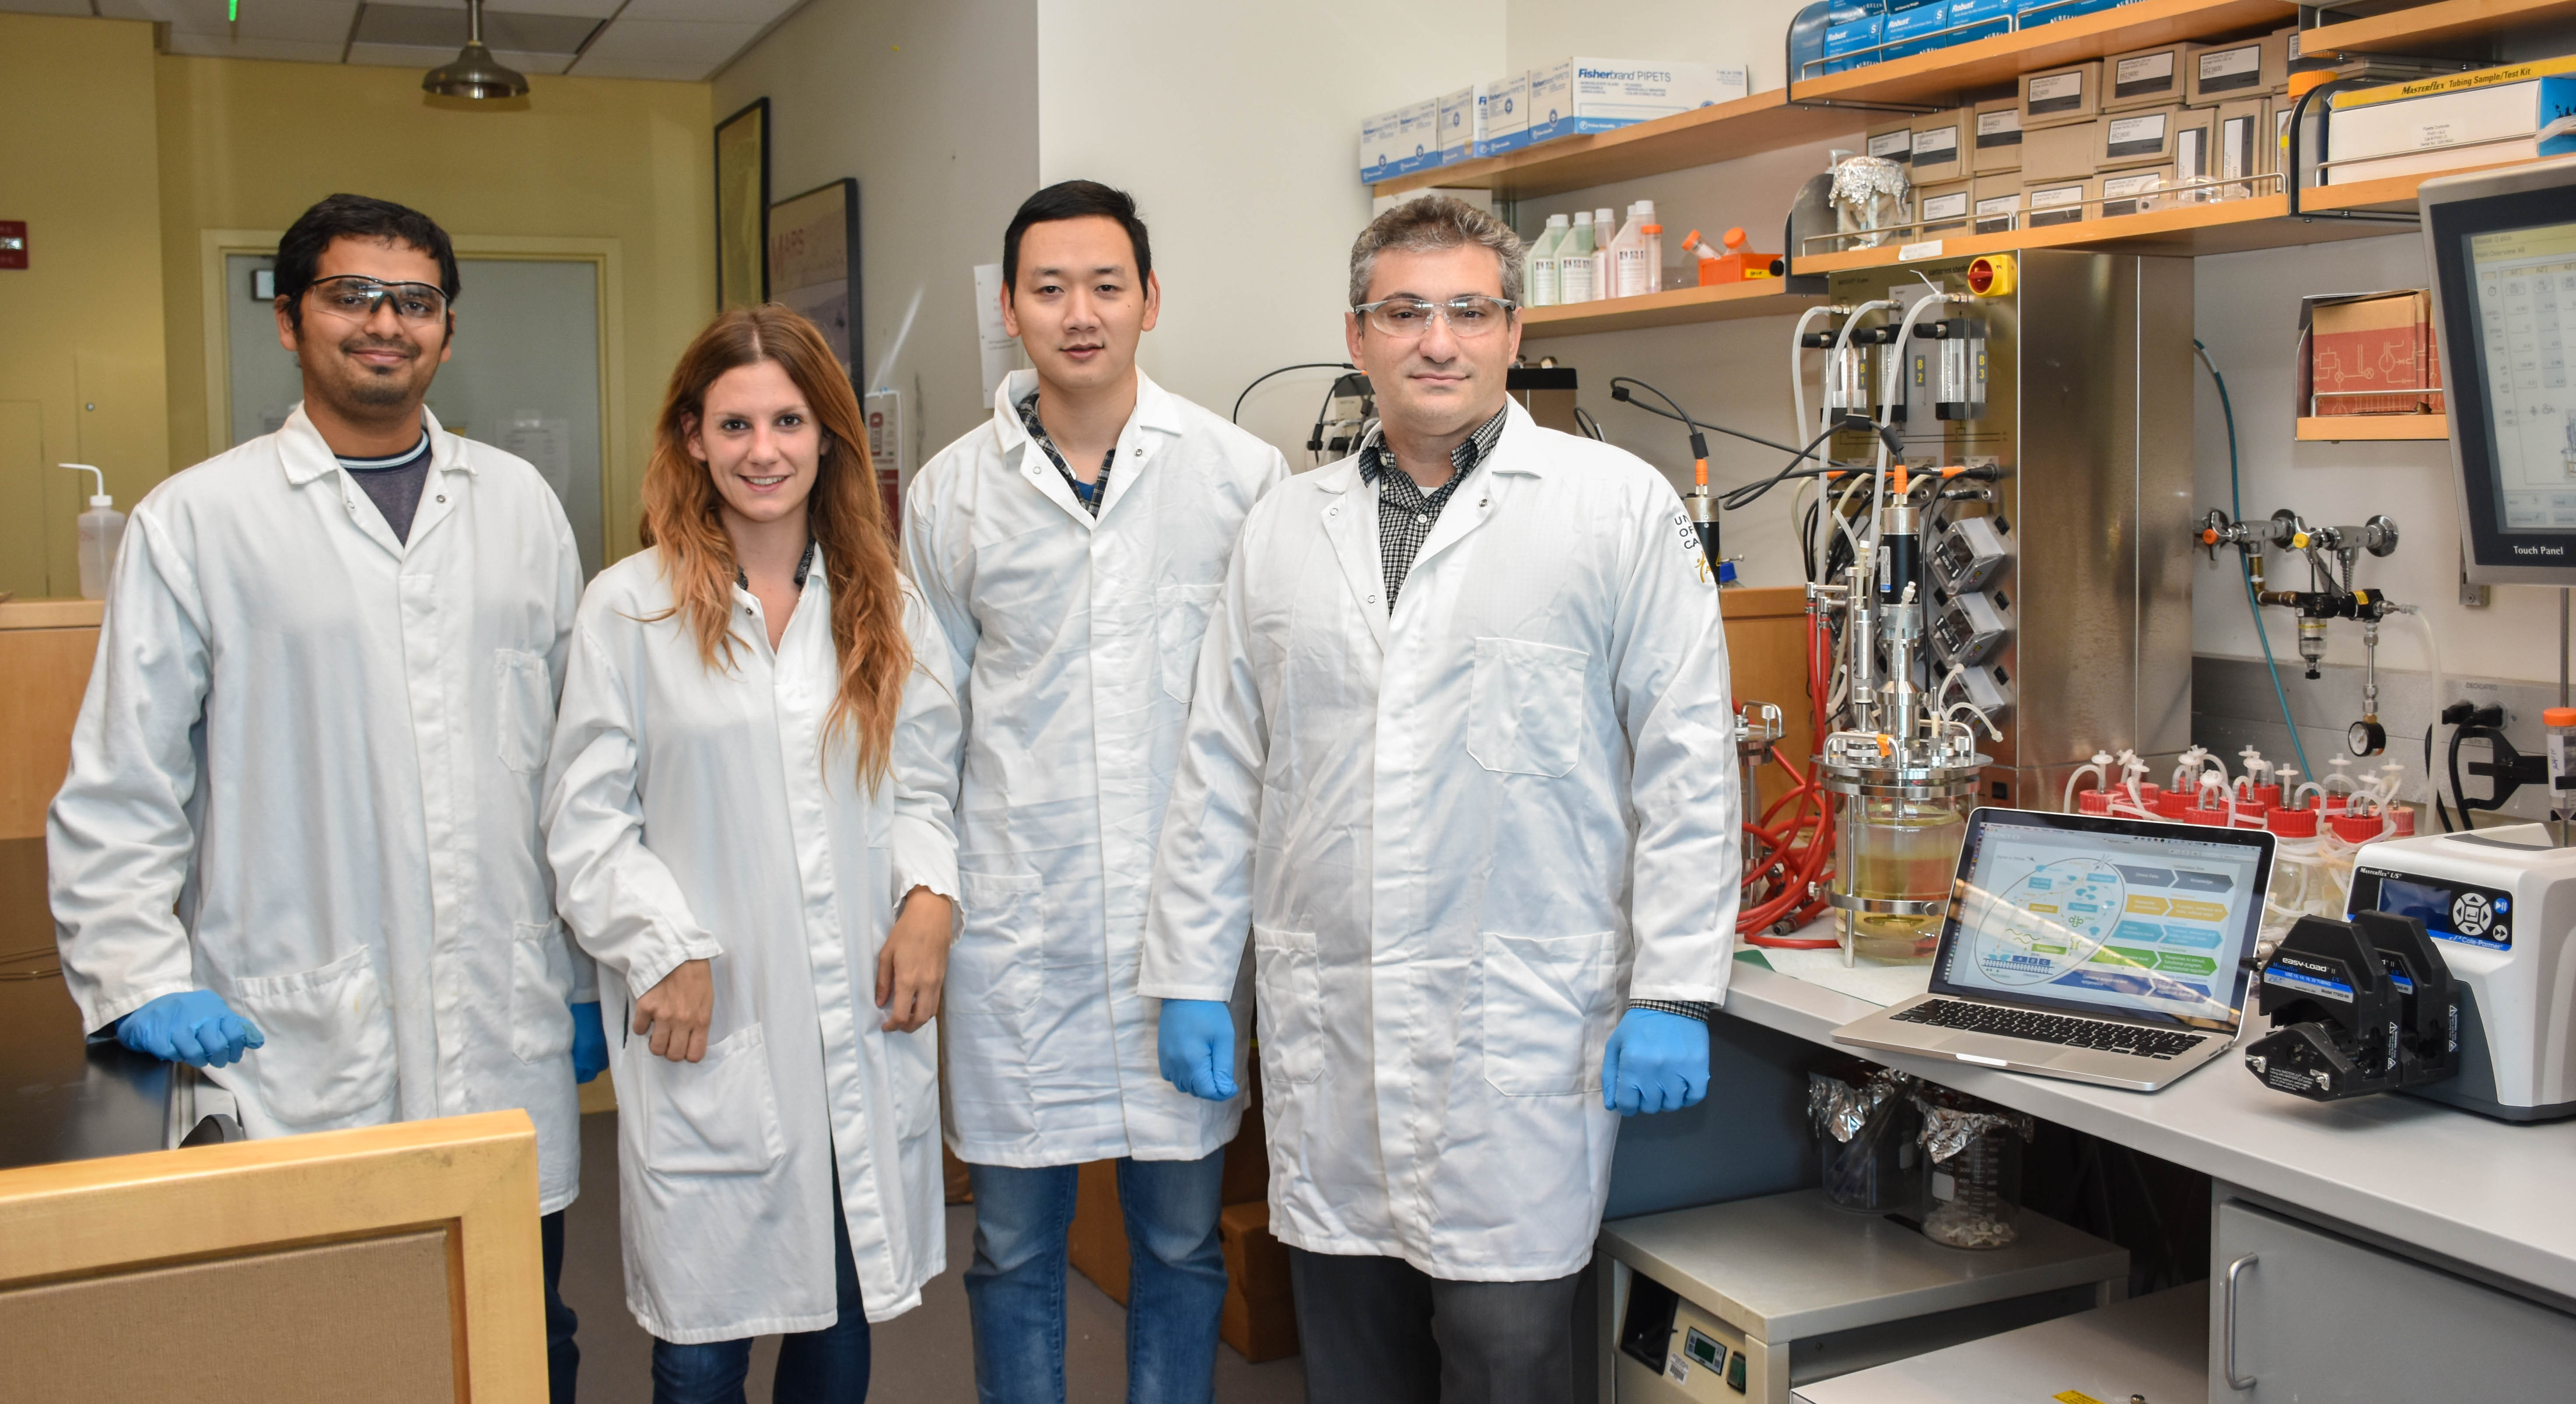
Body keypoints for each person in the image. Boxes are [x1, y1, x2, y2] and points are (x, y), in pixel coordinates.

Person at [1141, 196, 1741, 1404]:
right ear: (1355, 335)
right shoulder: (1284, 525)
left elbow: (1686, 761)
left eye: (1469, 311)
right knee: (1351, 1364)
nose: (1437, 340)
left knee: (1505, 1356)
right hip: (1336, 1021)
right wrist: (1194, 972)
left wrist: (1675, 987)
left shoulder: (1615, 505)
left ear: (1514, 331)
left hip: (1519, 1027)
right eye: (1404, 311)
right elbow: (1223, 765)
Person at [48, 193, 599, 1400]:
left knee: (523, 1336)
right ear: (291, 320)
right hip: (297, 1031)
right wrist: (140, 974)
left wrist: (581, 973)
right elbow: (127, 781)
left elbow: (573, 770)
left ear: (447, 329)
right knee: (332, 1351)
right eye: (352, 296)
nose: (385, 323)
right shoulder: (199, 520)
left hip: (501, 1018)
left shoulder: (520, 507)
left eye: (414, 301)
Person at [903, 180, 1289, 1404]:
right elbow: (922, 725)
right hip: (1019, 928)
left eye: (1106, 285)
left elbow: (1272, 718)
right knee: (1015, 1247)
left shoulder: (1240, 476)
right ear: (1010, 309)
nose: (1081, 313)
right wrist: (925, 890)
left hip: (1187, 931)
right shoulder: (951, 493)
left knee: (1179, 1241)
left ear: (1150, 301)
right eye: (1051, 288)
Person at [543, 305, 958, 1404]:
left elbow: (923, 785)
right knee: (700, 1349)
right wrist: (665, 946)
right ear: (691, 436)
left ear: (828, 437)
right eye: (734, 424)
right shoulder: (628, 610)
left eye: (787, 421)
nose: (762, 450)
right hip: (714, 1023)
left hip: (860, 1017)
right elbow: (587, 821)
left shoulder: (886, 604)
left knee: (841, 1315)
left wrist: (929, 898)